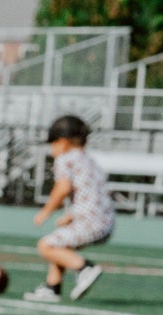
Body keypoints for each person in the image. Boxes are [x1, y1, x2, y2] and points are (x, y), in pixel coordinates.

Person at [27, 114, 114, 303]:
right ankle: (52, 288)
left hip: (91, 221)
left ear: (64, 141)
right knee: (60, 244)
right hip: (104, 221)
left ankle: (84, 268)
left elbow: (63, 188)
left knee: (46, 245)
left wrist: (46, 211)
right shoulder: (88, 160)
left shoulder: (65, 159)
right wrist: (71, 215)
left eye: (53, 143)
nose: (51, 149)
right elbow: (92, 193)